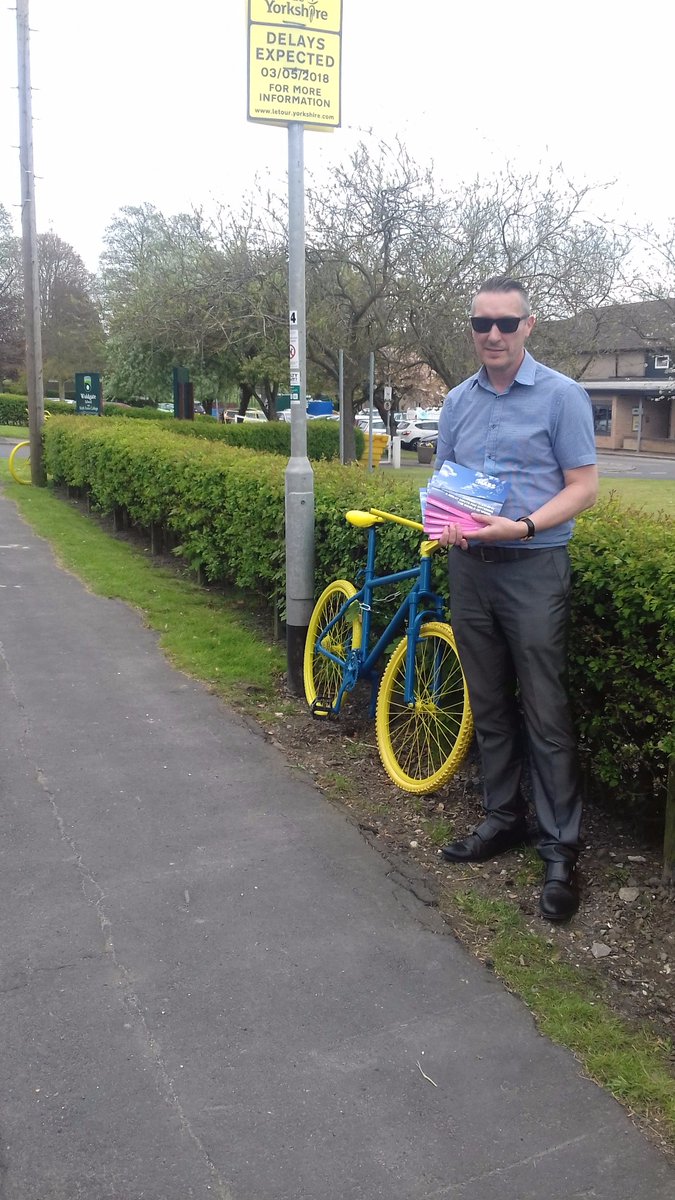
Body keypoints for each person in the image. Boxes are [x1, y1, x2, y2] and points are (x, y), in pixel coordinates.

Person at [436, 276, 598, 921]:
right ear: (472, 329)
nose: (494, 335)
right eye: (483, 324)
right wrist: (445, 520)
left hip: (534, 566)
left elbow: (582, 486)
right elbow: (448, 483)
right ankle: (503, 818)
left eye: (507, 323)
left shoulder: (563, 396)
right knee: (488, 703)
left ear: (529, 326)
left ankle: (561, 847)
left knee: (545, 711)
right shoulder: (455, 401)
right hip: (471, 569)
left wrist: (525, 526)